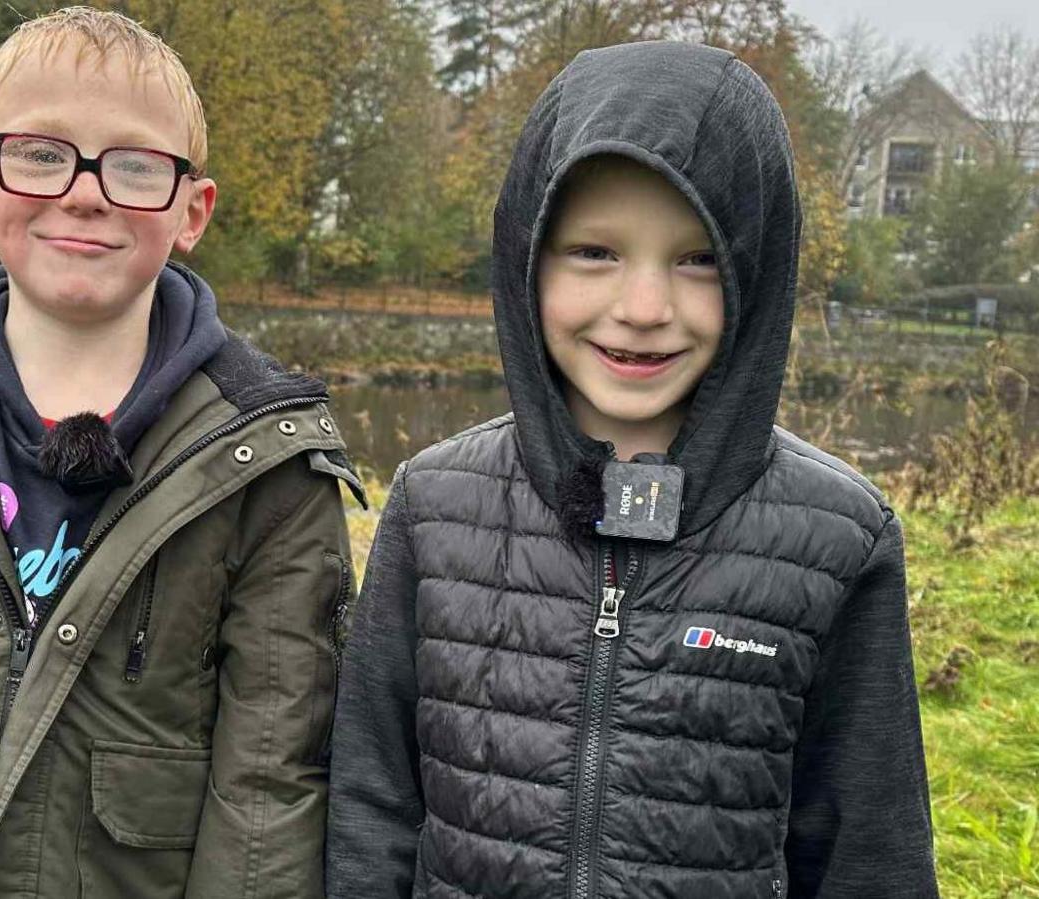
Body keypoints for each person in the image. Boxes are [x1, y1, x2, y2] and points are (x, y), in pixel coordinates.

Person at [0, 8, 361, 898]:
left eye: (133, 164)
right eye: (42, 154)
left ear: (191, 210)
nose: (84, 192)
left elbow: (269, 793)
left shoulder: (271, 468)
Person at [326, 41, 938, 898]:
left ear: (755, 269)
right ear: (525, 256)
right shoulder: (432, 502)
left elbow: (869, 849)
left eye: (697, 259)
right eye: (595, 252)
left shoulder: (843, 533)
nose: (645, 308)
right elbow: (370, 805)